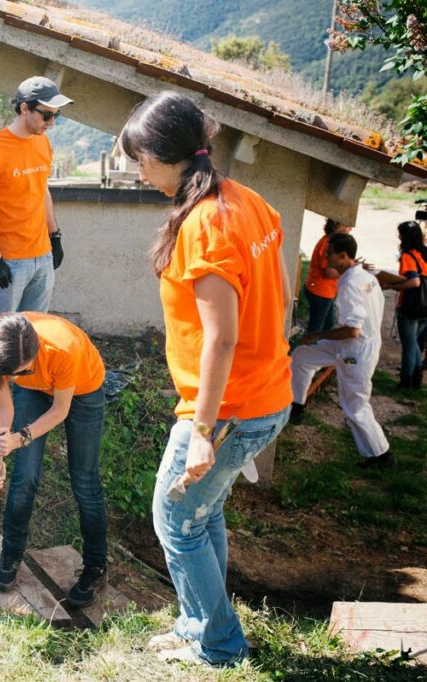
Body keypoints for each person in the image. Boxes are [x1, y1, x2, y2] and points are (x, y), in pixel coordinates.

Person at [119, 92, 293, 667]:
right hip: (264, 394)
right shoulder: (247, 200)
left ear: (169, 157)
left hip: (227, 409)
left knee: (174, 520)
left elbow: (220, 337)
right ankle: (201, 624)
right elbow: (284, 295)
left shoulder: (206, 227)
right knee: (202, 512)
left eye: (141, 160)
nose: (138, 173)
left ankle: (218, 647)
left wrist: (201, 429)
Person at [0, 312, 108, 607]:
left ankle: (96, 568)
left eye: (19, 372)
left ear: (35, 355)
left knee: (85, 482)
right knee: (25, 476)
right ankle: (11, 554)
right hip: (35, 390)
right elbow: (3, 407)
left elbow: (60, 410)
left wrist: (20, 437)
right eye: (7, 374)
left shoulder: (62, 349)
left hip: (83, 391)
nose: (11, 379)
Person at [0, 76, 70, 429]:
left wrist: (55, 236)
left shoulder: (42, 144)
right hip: (8, 261)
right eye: (45, 115)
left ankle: (23, 400)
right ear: (24, 108)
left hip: (41, 256)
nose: (51, 123)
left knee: (31, 335)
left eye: (56, 116)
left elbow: (43, 192)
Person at [290, 233, 392, 466]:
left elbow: (352, 330)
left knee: (355, 405)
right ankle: (296, 405)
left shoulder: (350, 286)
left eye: (330, 253)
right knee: (302, 356)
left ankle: (380, 454)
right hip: (347, 344)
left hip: (356, 350)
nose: (326, 258)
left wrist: (317, 334)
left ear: (343, 256)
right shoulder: (364, 275)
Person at [381, 221, 427, 389]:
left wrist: (392, 286)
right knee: (415, 343)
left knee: (409, 345)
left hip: (411, 307)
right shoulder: (425, 252)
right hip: (425, 307)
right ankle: (416, 380)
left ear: (403, 237)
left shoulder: (408, 256)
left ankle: (407, 381)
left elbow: (414, 282)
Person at [304, 218, 352, 333]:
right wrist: (350, 267)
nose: (350, 229)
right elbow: (329, 273)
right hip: (321, 291)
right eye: (347, 225)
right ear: (337, 225)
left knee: (328, 324)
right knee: (316, 329)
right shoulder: (329, 243)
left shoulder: (330, 240)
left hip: (323, 290)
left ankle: (316, 347)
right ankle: (307, 349)